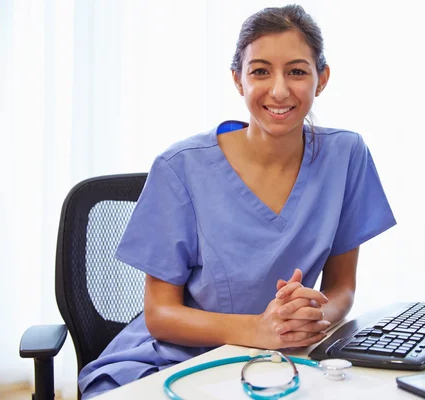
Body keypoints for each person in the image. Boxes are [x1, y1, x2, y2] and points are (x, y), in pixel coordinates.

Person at [78, 4, 396, 398]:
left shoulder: (346, 156)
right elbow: (160, 315)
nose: (279, 90)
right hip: (172, 361)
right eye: (260, 71)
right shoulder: (181, 168)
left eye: (297, 71)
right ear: (238, 79)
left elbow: (341, 287)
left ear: (322, 78)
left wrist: (309, 318)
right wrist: (259, 330)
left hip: (283, 359)